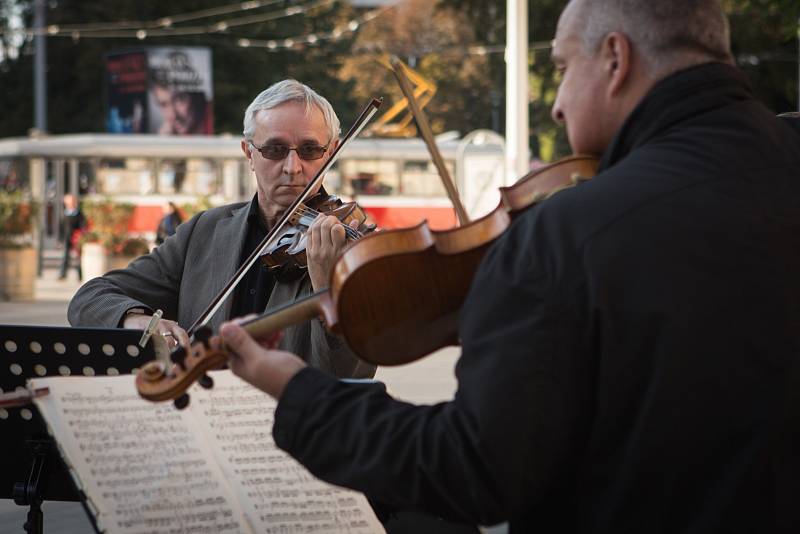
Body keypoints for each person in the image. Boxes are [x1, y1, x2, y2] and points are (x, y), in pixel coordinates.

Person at [217, 1, 800, 532]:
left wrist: (300, 396)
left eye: (566, 68)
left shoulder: (569, 233)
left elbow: (475, 469)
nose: (557, 101)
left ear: (616, 59)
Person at [68, 79, 375, 380]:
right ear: (249, 153)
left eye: (310, 150)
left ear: (332, 151)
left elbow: (351, 374)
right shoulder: (204, 232)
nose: (293, 167)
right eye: (275, 149)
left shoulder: (351, 247)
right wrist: (135, 320)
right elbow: (90, 299)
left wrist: (327, 291)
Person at [58, 193, 86, 281]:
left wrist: (81, 236)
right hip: (67, 238)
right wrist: (60, 239)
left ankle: (80, 275)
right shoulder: (64, 214)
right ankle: (62, 274)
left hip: (76, 238)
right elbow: (60, 228)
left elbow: (82, 226)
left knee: (78, 257)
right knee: (65, 256)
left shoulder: (79, 214)